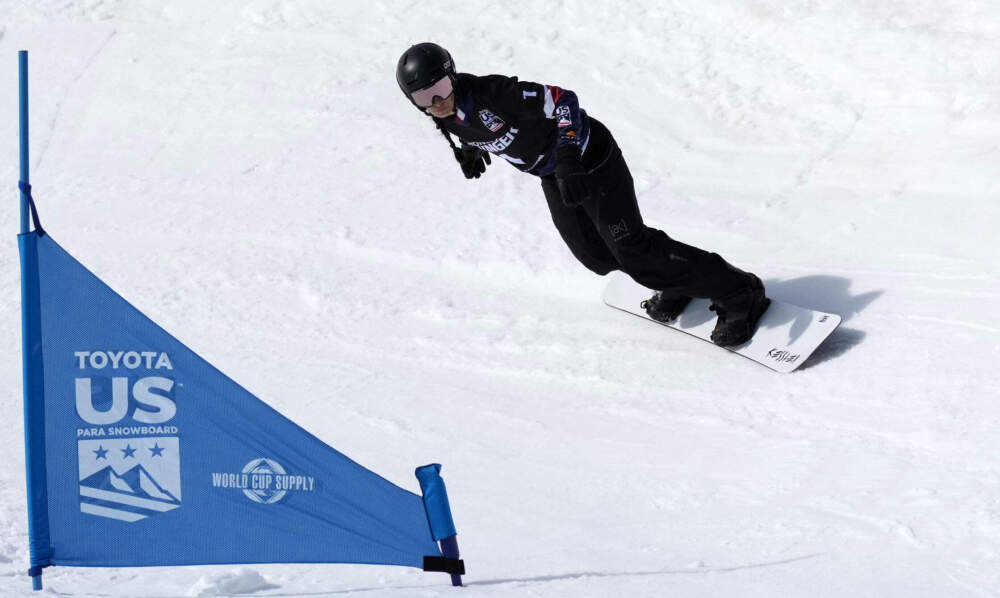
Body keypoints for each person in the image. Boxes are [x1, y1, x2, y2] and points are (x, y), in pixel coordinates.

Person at [396, 42, 770, 347]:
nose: (436, 102)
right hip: (555, 175)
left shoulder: (495, 93)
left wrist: (569, 156)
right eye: (423, 98)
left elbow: (564, 100)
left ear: (454, 76)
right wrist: (472, 149)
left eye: (440, 89)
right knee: (595, 254)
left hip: (590, 159)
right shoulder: (445, 116)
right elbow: (470, 126)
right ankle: (672, 280)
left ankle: (739, 293)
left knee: (633, 250)